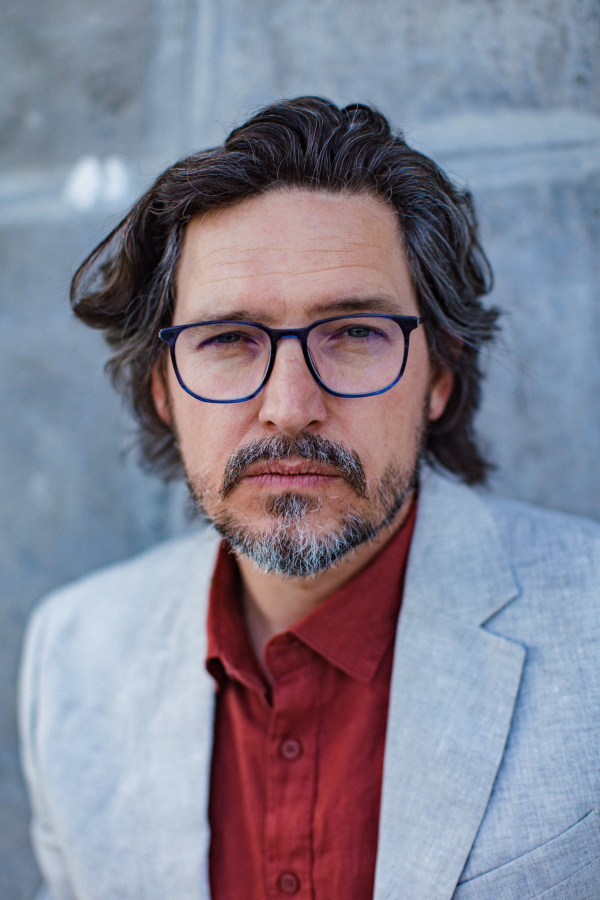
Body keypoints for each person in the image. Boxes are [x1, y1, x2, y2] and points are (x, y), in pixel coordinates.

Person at [19, 97, 600, 900]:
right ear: (162, 390)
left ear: (438, 375)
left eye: (356, 332)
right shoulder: (73, 654)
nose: (290, 406)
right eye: (228, 340)